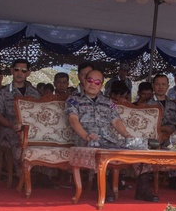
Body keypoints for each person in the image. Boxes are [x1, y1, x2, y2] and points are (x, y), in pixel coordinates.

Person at [65, 68, 158, 202]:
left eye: (97, 82)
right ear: (84, 81)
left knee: (140, 147)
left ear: (101, 85)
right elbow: (73, 120)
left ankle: (143, 189)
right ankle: (103, 187)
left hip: (110, 140)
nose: (92, 84)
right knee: (97, 148)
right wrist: (86, 136)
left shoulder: (108, 102)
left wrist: (127, 136)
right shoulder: (73, 100)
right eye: (90, 80)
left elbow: (116, 121)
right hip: (88, 140)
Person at [0, 59, 41, 172]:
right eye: (17, 70)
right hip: (9, 128)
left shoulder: (34, 93)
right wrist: (12, 125)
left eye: (23, 71)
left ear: (28, 73)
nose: (20, 73)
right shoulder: (2, 93)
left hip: (31, 128)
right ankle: (22, 174)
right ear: (12, 71)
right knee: (18, 140)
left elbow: (39, 113)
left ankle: (41, 173)